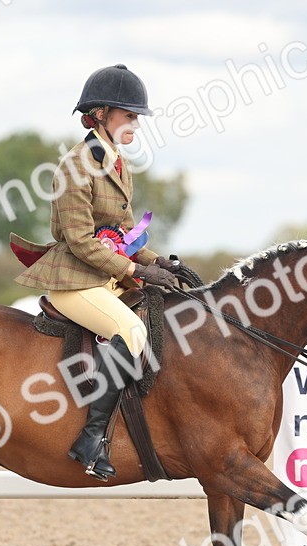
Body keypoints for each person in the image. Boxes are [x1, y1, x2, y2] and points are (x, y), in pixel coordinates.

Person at [12, 63, 184, 481]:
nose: (136, 124)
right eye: (130, 116)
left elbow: (122, 229)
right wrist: (132, 268)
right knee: (130, 332)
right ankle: (90, 438)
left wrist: (156, 261)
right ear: (103, 113)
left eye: (137, 117)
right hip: (73, 281)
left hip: (104, 277)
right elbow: (79, 239)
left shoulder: (114, 161)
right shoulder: (76, 166)